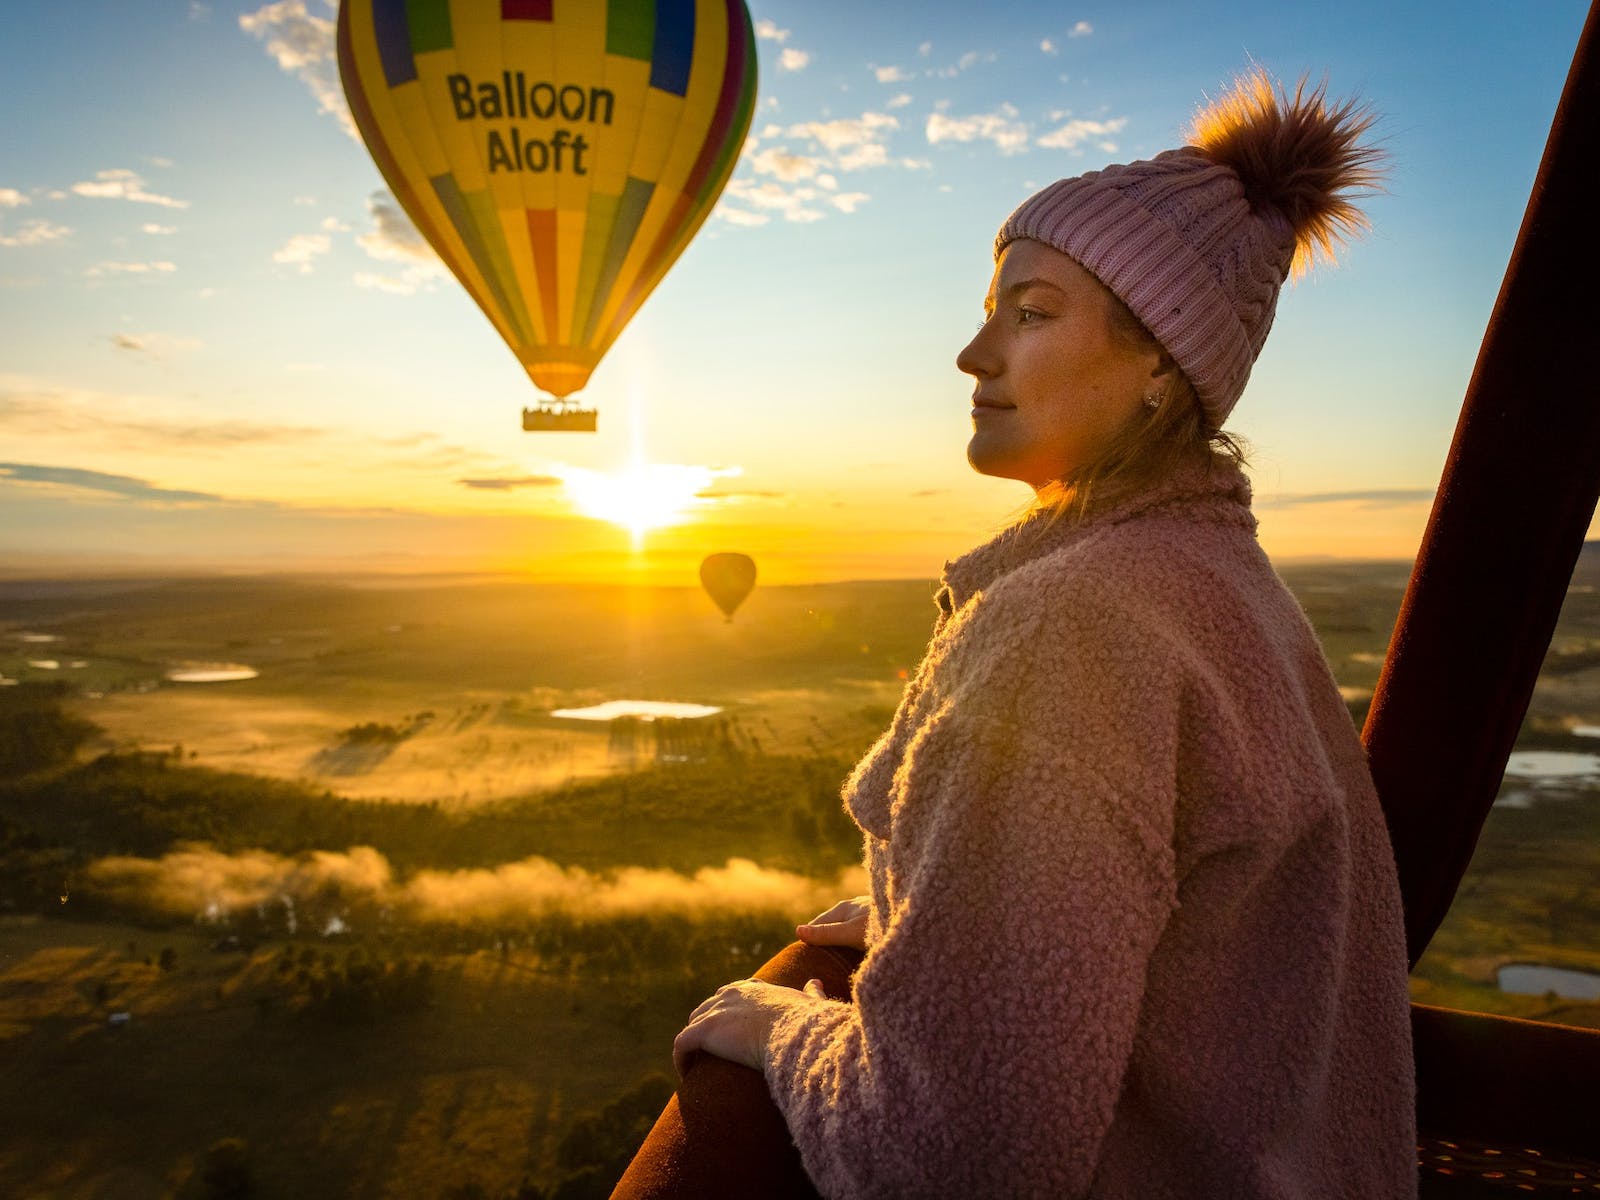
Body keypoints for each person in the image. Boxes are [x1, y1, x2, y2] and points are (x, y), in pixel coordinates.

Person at [631, 69, 1417, 1199]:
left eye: (1032, 311)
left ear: (1162, 364)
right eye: (992, 305)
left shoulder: (1068, 629)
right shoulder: (1213, 580)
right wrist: (949, 920)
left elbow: (953, 1158)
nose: (973, 352)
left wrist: (785, 1034)